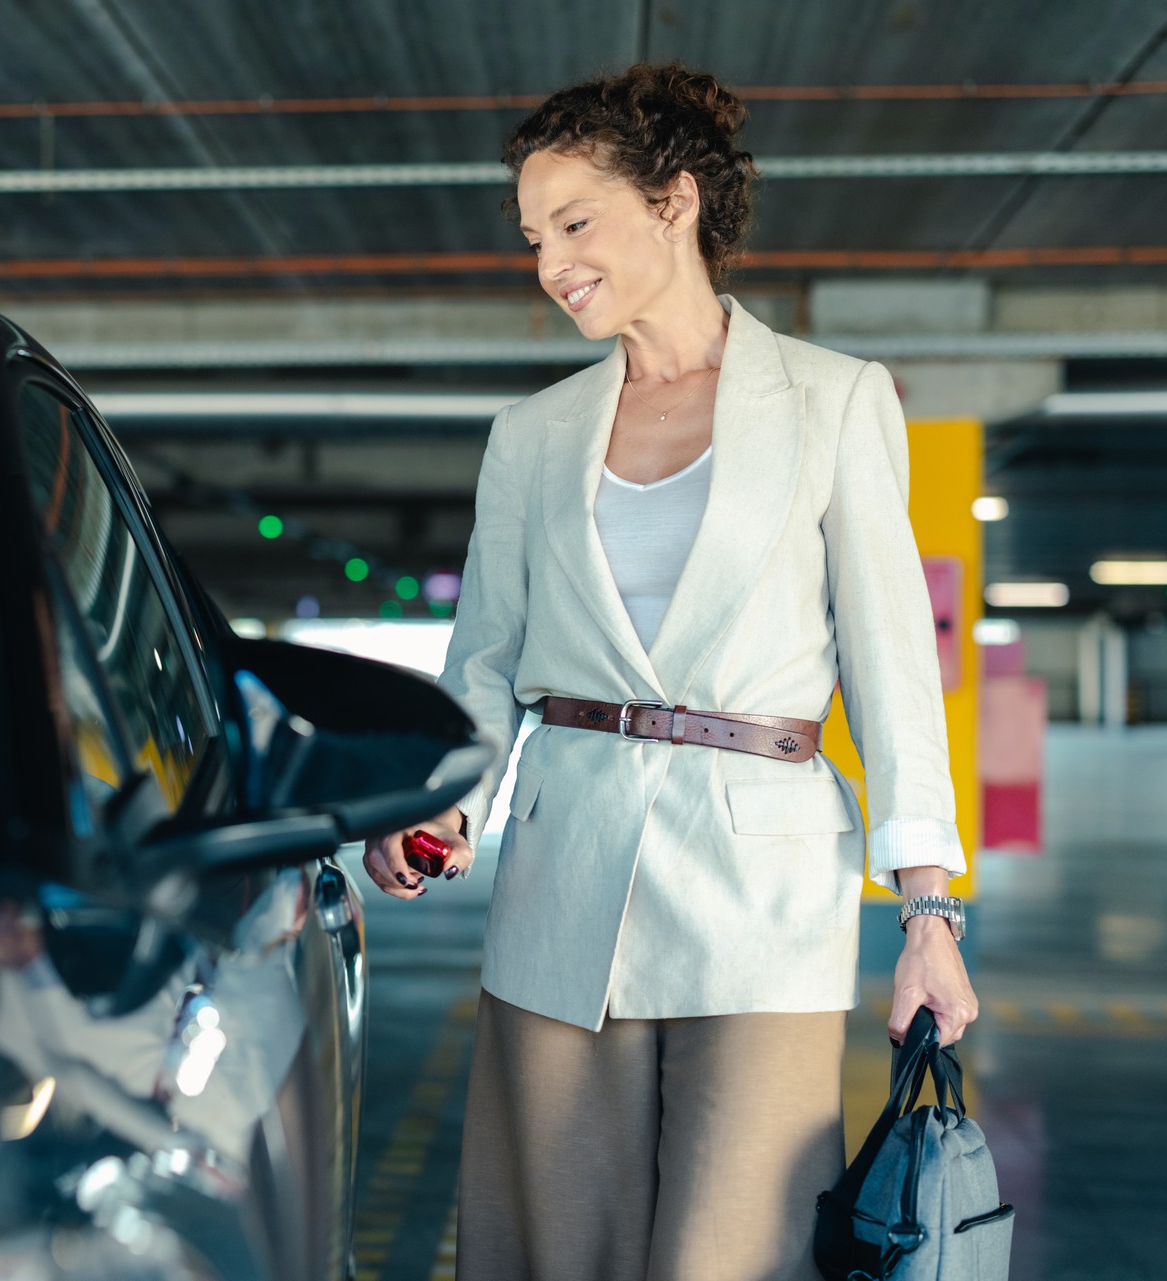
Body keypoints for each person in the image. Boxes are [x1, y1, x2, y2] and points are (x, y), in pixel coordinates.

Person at [359, 61, 978, 1280]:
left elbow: (894, 670)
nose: (551, 266)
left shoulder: (834, 402)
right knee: (555, 1245)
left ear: (675, 202)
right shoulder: (530, 436)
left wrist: (929, 914)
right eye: (536, 238)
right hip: (560, 872)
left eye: (576, 224)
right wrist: (443, 806)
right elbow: (483, 660)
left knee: (732, 1252)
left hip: (764, 900)